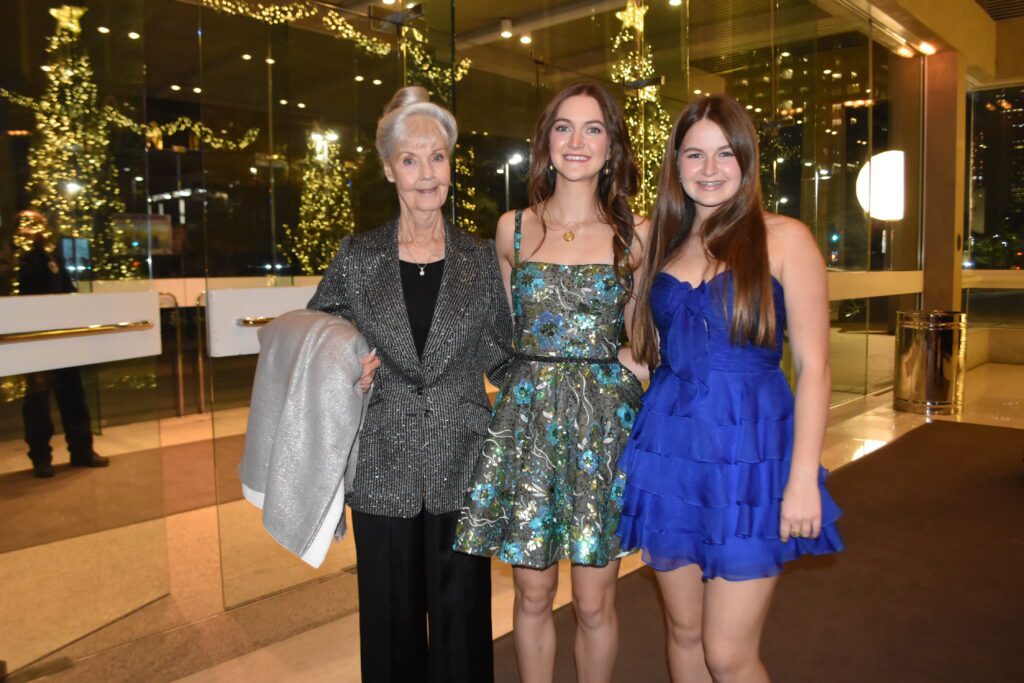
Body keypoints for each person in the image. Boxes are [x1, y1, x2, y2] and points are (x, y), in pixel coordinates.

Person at [615, 94, 844, 682]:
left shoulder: (784, 238)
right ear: (676, 163)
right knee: (685, 635)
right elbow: (646, 344)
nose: (710, 169)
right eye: (695, 154)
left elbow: (815, 368)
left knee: (728, 653)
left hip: (751, 458)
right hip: (671, 453)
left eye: (724, 154)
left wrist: (802, 480)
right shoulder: (660, 242)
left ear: (746, 160)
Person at [306, 86, 512, 683]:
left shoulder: (480, 259)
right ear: (388, 168)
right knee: (390, 628)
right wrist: (347, 366)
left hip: (461, 463)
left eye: (438, 157)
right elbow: (319, 334)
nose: (426, 173)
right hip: (381, 467)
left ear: (450, 165)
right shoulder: (357, 257)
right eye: (410, 159)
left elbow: (503, 355)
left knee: (463, 627)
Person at [454, 82, 648, 683]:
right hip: (528, 426)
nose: (577, 141)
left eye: (593, 128)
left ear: (612, 146)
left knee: (593, 602)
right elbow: (505, 331)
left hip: (602, 432)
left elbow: (645, 333)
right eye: (564, 127)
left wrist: (634, 363)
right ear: (546, 142)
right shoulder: (512, 229)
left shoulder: (636, 233)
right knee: (533, 595)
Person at [16, 211, 108, 478]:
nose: (39, 232)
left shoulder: (53, 257)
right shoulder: (17, 260)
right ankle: (41, 458)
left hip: (62, 337)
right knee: (38, 402)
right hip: (33, 340)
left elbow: (68, 292)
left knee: (73, 395)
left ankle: (82, 451)